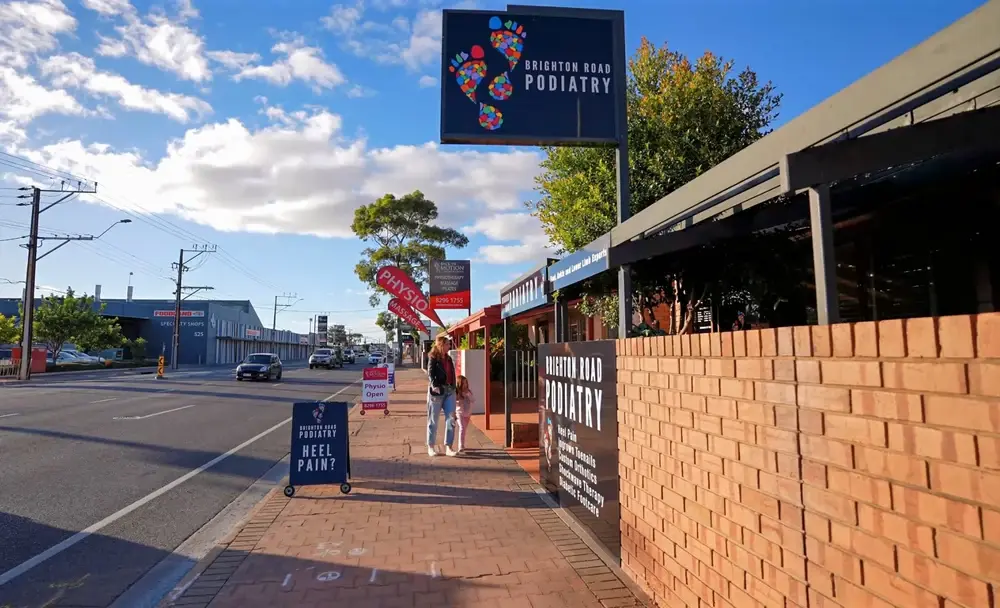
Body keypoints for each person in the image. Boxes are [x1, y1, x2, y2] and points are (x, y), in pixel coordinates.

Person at [426, 334, 458, 457]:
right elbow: (430, 373)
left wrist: (455, 387)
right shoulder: (433, 357)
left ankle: (449, 447)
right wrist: (435, 385)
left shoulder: (448, 358)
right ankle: (431, 446)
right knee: (433, 420)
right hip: (437, 392)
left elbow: (452, 373)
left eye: (449, 344)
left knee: (451, 419)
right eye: (447, 344)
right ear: (441, 345)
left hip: (450, 390)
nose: (449, 346)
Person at [455, 375, 475, 453]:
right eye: (463, 383)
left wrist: (468, 395)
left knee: (464, 429)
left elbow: (473, 400)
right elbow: (455, 403)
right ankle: (461, 445)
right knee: (462, 428)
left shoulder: (469, 391)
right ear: (459, 384)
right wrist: (459, 400)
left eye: (466, 383)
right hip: (459, 413)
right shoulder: (457, 393)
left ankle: (462, 444)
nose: (465, 385)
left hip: (467, 413)